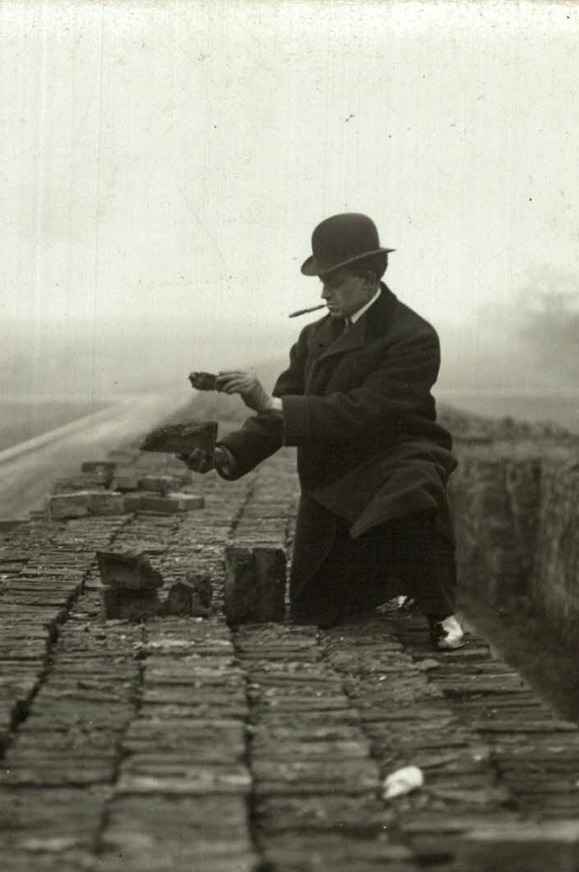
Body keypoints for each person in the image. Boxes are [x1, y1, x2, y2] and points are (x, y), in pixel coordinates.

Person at [181, 212, 466, 650]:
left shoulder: (413, 336)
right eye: (321, 279)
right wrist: (225, 453)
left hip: (395, 457)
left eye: (335, 280)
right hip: (332, 477)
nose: (323, 291)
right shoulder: (314, 335)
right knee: (316, 605)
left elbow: (362, 412)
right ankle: (390, 580)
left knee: (413, 488)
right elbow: (278, 414)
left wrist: (268, 401)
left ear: (369, 278)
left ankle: (439, 609)